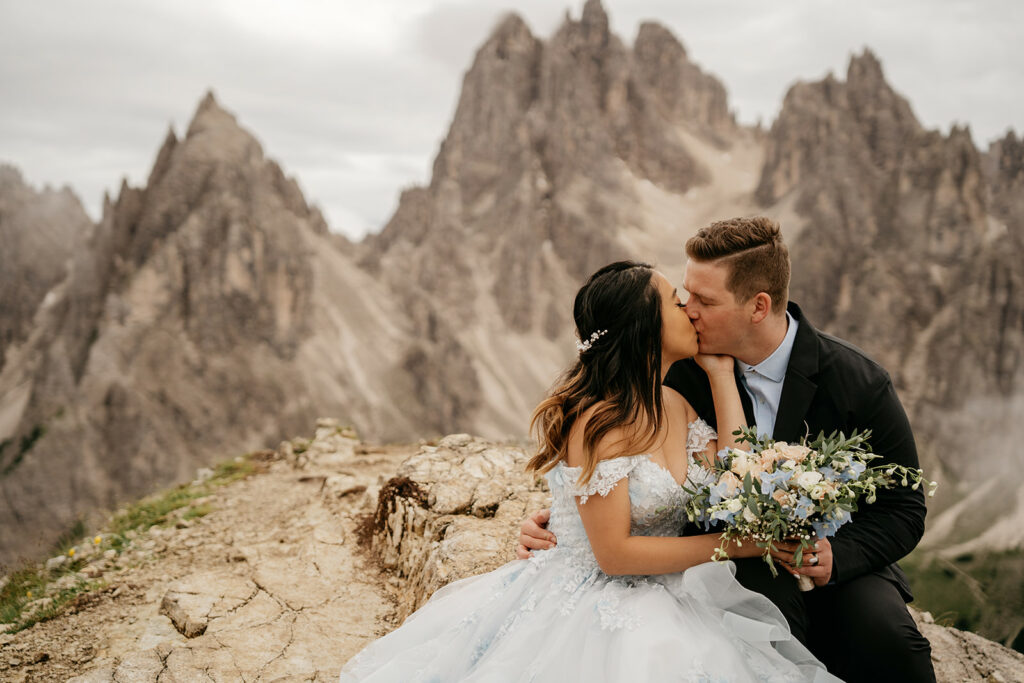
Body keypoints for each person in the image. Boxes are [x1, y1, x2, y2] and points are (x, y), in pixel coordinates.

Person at [341, 261, 838, 682]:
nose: (689, 308)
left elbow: (737, 478)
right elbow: (615, 556)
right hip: (597, 599)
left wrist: (721, 374)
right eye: (674, 300)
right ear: (645, 325)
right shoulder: (600, 424)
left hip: (674, 589)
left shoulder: (676, 404)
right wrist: (743, 546)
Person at [518, 218, 935, 682]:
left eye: (703, 301)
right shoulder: (676, 371)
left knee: (894, 644)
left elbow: (904, 507)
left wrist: (835, 556)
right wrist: (563, 516)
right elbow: (615, 472)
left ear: (758, 307)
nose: (690, 310)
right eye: (683, 298)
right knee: (757, 635)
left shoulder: (857, 381)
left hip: (834, 558)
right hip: (723, 564)